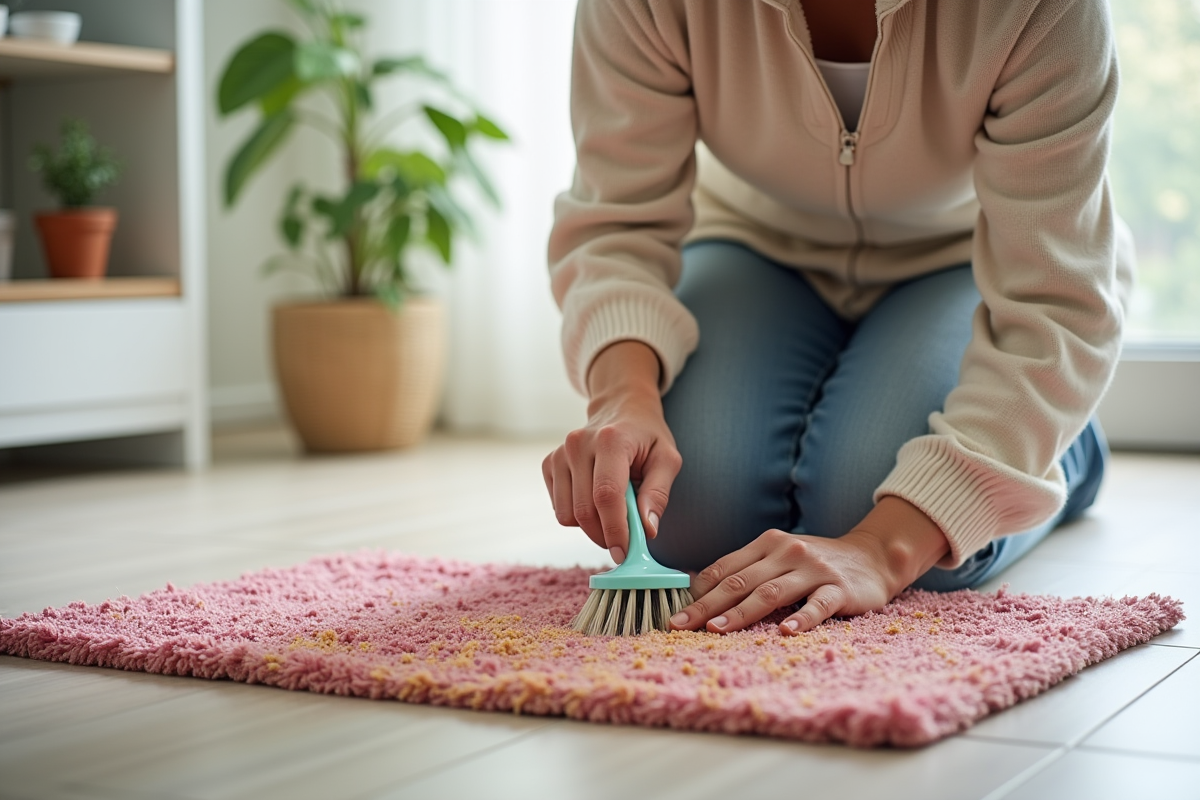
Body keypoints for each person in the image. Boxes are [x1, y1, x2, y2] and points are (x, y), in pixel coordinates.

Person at [542, 0, 1131, 637]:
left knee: (874, 507)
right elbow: (616, 224)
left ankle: (1065, 450)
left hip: (962, 257)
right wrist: (624, 395)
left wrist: (884, 548)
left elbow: (1055, 298)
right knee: (687, 513)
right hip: (753, 242)